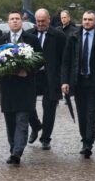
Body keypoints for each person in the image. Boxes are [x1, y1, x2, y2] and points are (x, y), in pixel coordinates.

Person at [61, 10, 95, 158]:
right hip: (78, 81)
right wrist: (64, 81)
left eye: (90, 20)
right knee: (82, 113)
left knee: (91, 113)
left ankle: (88, 143)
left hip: (94, 81)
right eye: (84, 19)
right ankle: (84, 138)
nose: (87, 22)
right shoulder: (73, 36)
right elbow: (66, 61)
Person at [0, 11, 42, 165]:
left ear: (21, 21)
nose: (14, 21)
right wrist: (2, 70)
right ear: (8, 22)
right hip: (7, 87)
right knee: (10, 121)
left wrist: (27, 70)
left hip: (26, 86)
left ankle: (17, 153)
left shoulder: (31, 39)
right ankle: (13, 147)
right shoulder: (1, 40)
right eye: (12, 19)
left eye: (17, 19)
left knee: (22, 119)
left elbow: (40, 59)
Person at [26, 8, 66, 150]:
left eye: (43, 21)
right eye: (38, 21)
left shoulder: (59, 36)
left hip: (51, 77)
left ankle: (46, 138)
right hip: (33, 76)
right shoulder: (29, 35)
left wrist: (63, 79)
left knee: (49, 109)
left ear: (49, 19)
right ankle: (36, 126)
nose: (41, 23)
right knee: (27, 104)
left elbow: (64, 59)